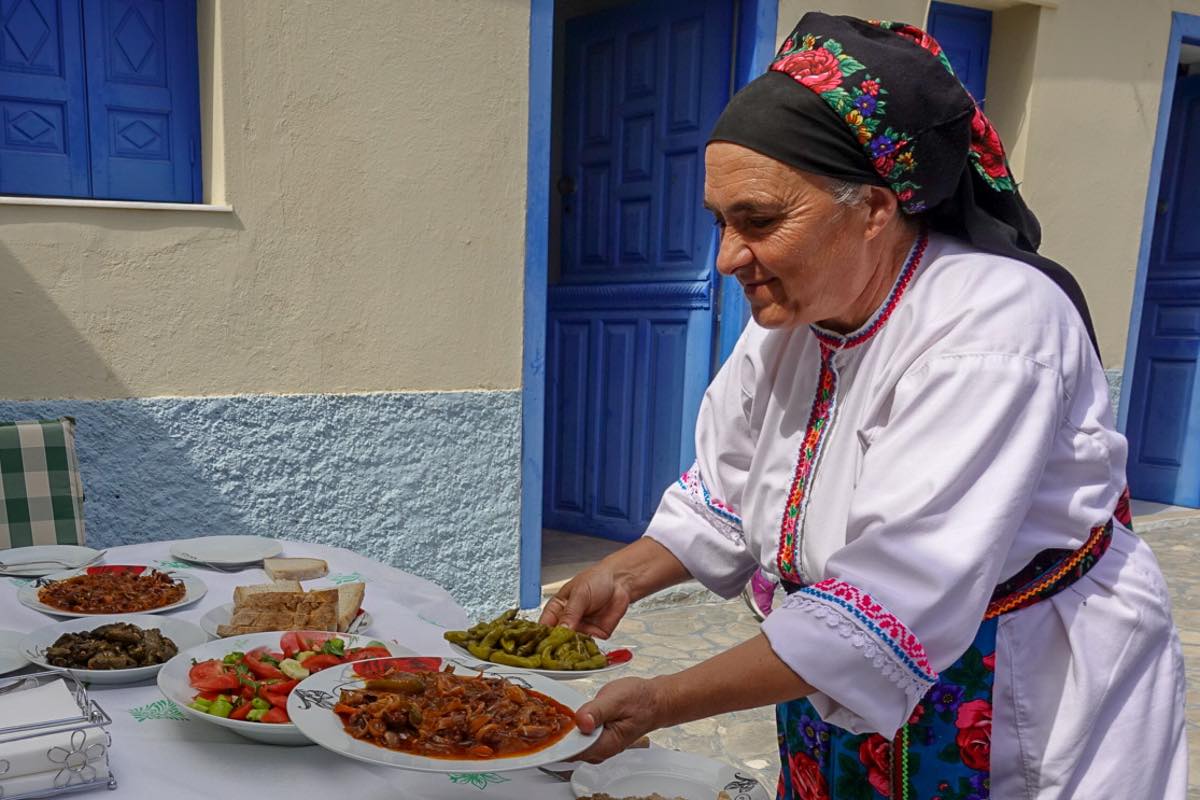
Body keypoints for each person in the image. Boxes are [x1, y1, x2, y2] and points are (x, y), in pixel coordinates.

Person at [541, 13, 1187, 799]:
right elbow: (727, 496)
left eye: (760, 221)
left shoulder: (993, 328)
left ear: (876, 208)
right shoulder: (790, 323)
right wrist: (623, 574)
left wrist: (660, 702)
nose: (726, 259)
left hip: (1013, 681)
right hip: (831, 663)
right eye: (720, 221)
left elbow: (894, 598)